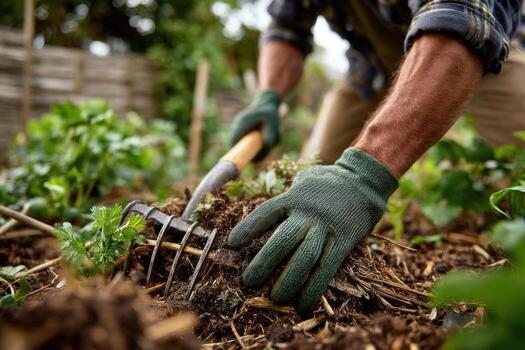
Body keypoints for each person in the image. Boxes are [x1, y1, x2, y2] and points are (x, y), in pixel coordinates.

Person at [226, 0, 525, 312]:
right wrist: (268, 96)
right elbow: (286, 28)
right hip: (371, 69)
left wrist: (363, 174)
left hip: (479, 44)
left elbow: (462, 18)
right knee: (313, 167)